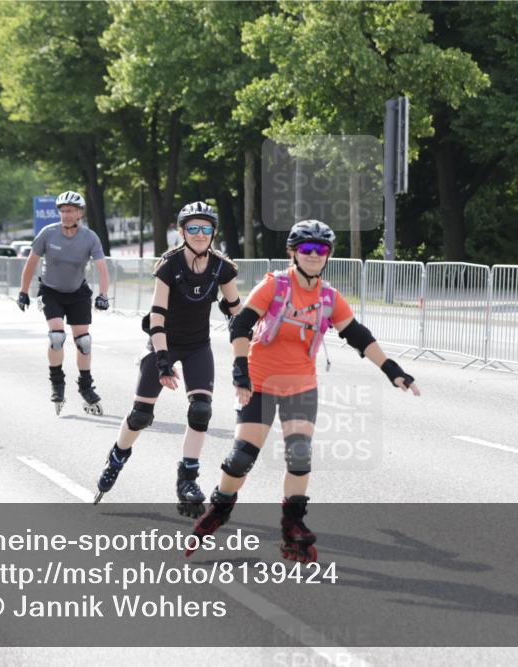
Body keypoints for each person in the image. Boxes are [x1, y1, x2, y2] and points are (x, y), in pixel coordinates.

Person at [185, 220, 421, 562]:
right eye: (307, 249)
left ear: (328, 256)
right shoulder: (275, 286)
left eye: (321, 250)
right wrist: (239, 369)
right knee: (241, 458)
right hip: (261, 383)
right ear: (293, 252)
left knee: (299, 454)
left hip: (301, 385)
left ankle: (292, 527)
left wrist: (392, 370)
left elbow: (358, 335)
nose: (314, 255)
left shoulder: (328, 297)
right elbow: (241, 323)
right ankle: (219, 508)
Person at [94, 202, 242, 517]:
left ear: (213, 232)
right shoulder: (169, 266)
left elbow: (236, 309)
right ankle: (118, 455)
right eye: (193, 228)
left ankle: (187, 479)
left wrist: (245, 328)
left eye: (205, 228)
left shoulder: (222, 268)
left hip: (198, 346)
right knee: (141, 416)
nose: (200, 234)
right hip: (165, 343)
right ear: (181, 231)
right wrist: (162, 359)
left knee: (201, 410)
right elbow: (157, 315)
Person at [17, 190, 111, 415]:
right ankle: (57, 383)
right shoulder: (47, 234)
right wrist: (23, 292)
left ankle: (86, 387)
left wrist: (103, 295)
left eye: (70, 211)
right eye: (63, 210)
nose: (66, 214)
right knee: (57, 336)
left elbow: (102, 268)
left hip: (78, 291)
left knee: (84, 341)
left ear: (80, 213)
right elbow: (31, 263)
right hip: (51, 291)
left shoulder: (90, 237)